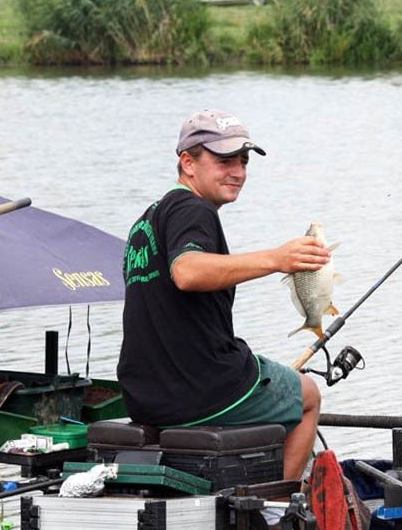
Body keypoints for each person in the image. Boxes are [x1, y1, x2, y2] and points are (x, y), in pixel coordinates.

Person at [117, 109, 330, 481]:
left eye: (244, 161)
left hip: (144, 396)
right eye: (224, 161)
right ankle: (275, 509)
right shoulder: (193, 208)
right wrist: (277, 259)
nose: (238, 172)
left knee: (262, 369)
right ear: (188, 162)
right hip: (202, 391)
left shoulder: (149, 218)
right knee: (308, 396)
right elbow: (187, 272)